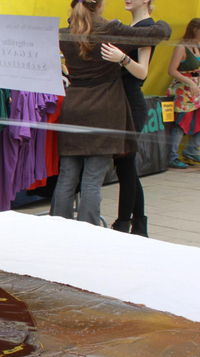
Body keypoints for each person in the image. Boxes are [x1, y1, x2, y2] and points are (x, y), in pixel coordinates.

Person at [52, 0, 170, 226]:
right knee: (92, 180)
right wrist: (165, 24)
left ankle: (59, 230)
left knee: (67, 177)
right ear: (100, 6)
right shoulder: (111, 30)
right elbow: (157, 33)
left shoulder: (64, 35)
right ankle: (89, 233)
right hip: (105, 110)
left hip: (74, 109)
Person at [99, 0, 155, 236]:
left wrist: (122, 58)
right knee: (125, 166)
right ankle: (138, 225)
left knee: (125, 163)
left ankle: (124, 224)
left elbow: (143, 72)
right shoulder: (128, 26)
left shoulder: (148, 28)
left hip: (132, 102)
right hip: (118, 101)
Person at [166, 19, 200, 169]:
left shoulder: (197, 46)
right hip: (184, 90)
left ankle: (191, 150)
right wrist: (190, 82)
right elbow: (172, 70)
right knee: (181, 124)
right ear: (195, 30)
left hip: (196, 90)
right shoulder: (181, 47)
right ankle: (172, 156)